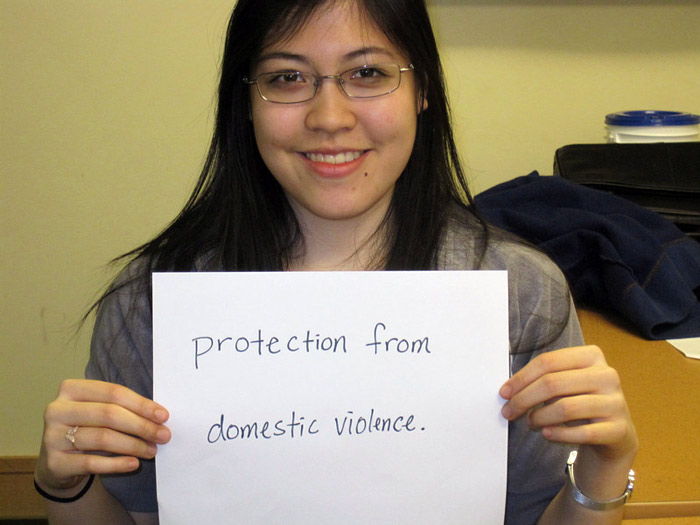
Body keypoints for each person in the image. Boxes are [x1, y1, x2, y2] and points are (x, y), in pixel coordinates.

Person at [34, 0, 638, 523]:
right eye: (288, 78)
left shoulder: (517, 292)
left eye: (368, 72)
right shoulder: (153, 301)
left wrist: (603, 469)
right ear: (245, 101)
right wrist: (67, 484)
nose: (329, 117)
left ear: (422, 88)